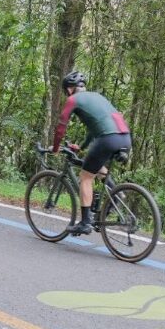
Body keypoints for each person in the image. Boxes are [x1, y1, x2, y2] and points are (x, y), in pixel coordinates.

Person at [51, 71, 131, 235]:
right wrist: (81, 147)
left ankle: (85, 222)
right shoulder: (97, 97)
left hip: (108, 139)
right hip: (125, 138)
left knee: (86, 177)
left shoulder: (73, 99)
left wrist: (55, 147)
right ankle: (116, 193)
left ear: (69, 89)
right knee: (97, 167)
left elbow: (61, 127)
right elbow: (94, 130)